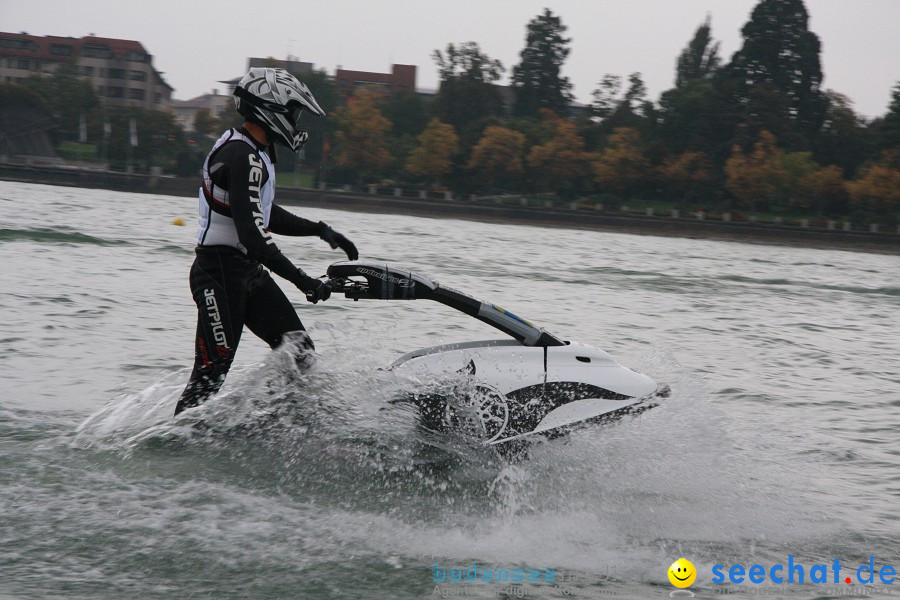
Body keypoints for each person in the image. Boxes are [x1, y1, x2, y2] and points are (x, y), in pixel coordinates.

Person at [174, 67, 358, 416]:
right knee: (208, 379)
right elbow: (253, 236)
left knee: (299, 353)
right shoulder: (240, 156)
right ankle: (170, 450)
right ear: (271, 110)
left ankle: (285, 424)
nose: (296, 121)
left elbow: (265, 213)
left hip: (247, 274)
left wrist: (321, 230)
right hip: (219, 275)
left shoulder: (255, 153)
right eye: (294, 112)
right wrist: (303, 280)